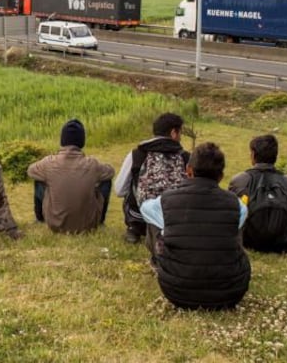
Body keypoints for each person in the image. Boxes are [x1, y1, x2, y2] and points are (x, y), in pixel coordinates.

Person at [140, 142, 251, 310]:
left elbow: (144, 208)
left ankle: (157, 262)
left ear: (188, 170)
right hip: (230, 292)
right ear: (221, 176)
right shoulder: (236, 204)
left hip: (177, 291)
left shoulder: (166, 200)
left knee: (155, 222)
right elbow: (237, 225)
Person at [28, 119, 115, 233]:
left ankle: (40, 219)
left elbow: (31, 170)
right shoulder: (92, 164)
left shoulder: (48, 162)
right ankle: (100, 221)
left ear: (62, 140)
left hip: (55, 224)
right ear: (82, 141)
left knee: (39, 179)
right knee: (105, 181)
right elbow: (110, 172)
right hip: (88, 225)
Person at [114, 113, 189, 244]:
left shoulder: (136, 154)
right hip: (174, 221)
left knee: (130, 186)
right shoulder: (185, 157)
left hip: (140, 217)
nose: (180, 137)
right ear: (173, 133)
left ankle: (133, 229)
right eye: (180, 133)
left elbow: (119, 190)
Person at [227, 134, 287, 253]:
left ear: (253, 154)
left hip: (248, 241)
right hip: (283, 241)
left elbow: (230, 215)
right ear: (275, 156)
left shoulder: (240, 180)